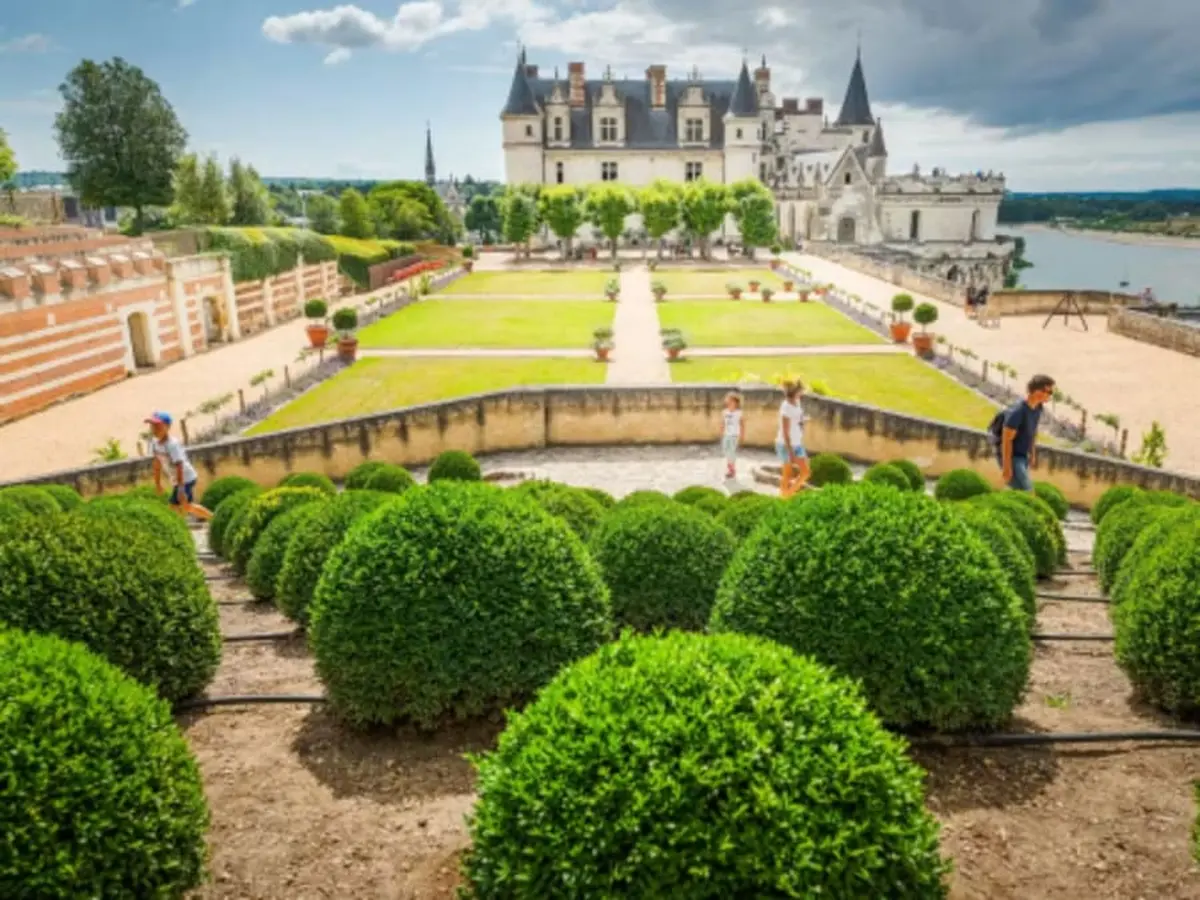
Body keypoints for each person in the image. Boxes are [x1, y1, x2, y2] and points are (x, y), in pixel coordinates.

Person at [990, 375, 1056, 492]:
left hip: (1022, 455)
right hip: (1012, 457)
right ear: (1037, 391)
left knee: (1018, 491)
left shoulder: (1038, 408)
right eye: (1049, 392)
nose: (1050, 395)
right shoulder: (1018, 411)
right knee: (1027, 491)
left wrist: (1032, 452)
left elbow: (1032, 431)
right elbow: (1006, 439)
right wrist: (1006, 467)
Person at [146, 411, 213, 521]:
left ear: (167, 427)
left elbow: (179, 466)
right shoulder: (154, 443)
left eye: (158, 426)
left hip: (185, 478)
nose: (154, 429)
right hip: (178, 480)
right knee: (186, 506)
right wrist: (157, 483)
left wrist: (181, 490)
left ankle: (213, 518)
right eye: (152, 426)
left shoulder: (172, 445)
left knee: (179, 507)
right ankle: (213, 518)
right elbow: (157, 463)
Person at [776, 381, 809, 498]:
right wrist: (790, 452)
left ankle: (787, 495)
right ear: (796, 391)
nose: (803, 392)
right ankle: (784, 497)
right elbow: (785, 432)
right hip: (786, 445)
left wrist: (802, 421)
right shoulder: (786, 407)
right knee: (787, 474)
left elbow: (797, 419)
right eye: (801, 390)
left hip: (797, 443)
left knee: (805, 472)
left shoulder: (797, 402)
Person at [719, 391, 745, 479]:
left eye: (730, 400)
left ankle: (731, 470)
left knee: (732, 452)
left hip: (734, 435)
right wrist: (722, 433)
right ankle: (730, 467)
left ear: (735, 402)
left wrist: (742, 436)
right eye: (727, 400)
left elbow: (742, 425)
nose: (728, 402)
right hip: (726, 435)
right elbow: (722, 423)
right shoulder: (724, 412)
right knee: (726, 451)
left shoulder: (739, 413)